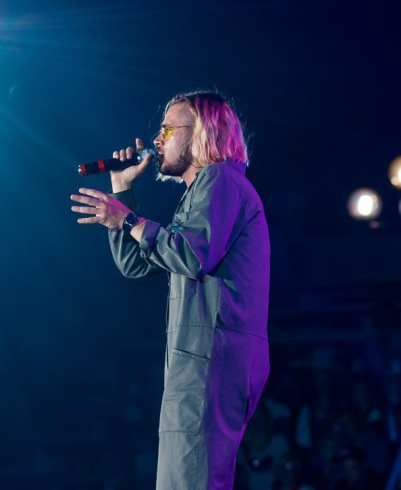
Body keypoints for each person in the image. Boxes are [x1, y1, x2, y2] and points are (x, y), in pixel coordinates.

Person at [70, 90, 271, 488]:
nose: (156, 140)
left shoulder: (220, 180)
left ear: (203, 133)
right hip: (204, 358)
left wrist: (128, 220)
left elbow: (191, 255)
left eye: (167, 130)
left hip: (209, 358)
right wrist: (122, 190)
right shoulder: (205, 192)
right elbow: (135, 264)